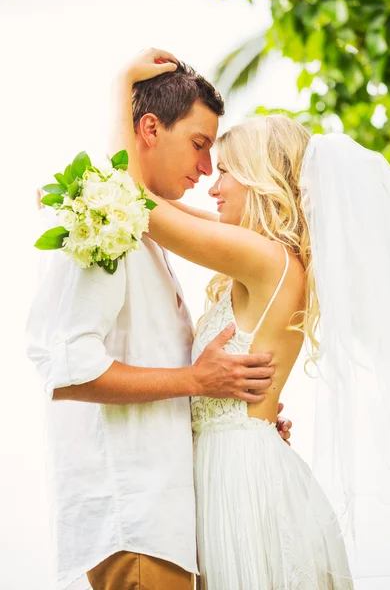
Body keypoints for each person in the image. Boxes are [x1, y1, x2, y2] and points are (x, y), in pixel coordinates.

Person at [26, 49, 292, 590]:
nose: (205, 171)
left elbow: (138, 203)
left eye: (219, 164)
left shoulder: (138, 226)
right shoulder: (103, 226)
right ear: (149, 127)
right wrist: (199, 382)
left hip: (171, 520)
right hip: (136, 517)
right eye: (199, 146)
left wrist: (238, 420)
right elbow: (69, 366)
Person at [118, 54, 356, 589]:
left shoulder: (268, 260)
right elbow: (164, 208)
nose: (212, 184)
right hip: (236, 461)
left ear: (260, 180)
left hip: (240, 475)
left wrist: (122, 89)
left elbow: (138, 206)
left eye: (224, 170)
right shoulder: (267, 255)